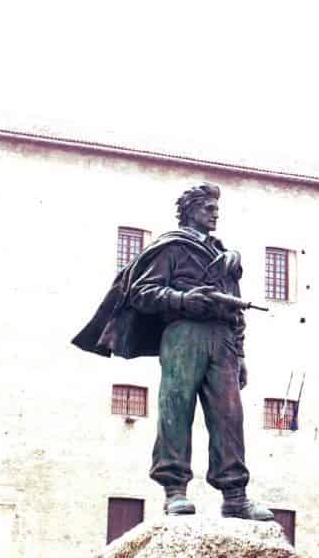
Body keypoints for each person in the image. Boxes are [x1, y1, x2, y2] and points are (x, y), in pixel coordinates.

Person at [73, 183, 273, 519]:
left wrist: (240, 355)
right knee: (175, 409)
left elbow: (237, 311)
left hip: (222, 337)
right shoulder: (172, 248)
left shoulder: (224, 256)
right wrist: (182, 300)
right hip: (183, 334)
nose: (214, 212)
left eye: (215, 207)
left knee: (229, 418)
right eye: (207, 207)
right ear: (190, 210)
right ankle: (174, 490)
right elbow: (142, 292)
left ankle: (235, 497)